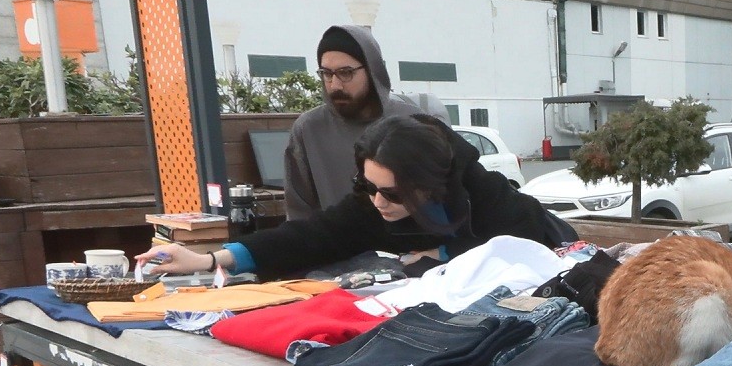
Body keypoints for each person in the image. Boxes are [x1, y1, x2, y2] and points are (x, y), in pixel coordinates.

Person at [138, 114, 575, 279]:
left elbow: (523, 247)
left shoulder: (487, 195)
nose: (377, 202)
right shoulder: (371, 205)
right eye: (367, 186)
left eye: (392, 192)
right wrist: (209, 260)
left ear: (429, 185)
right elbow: (309, 237)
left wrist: (442, 252)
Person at [285, 24, 450, 221]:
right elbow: (299, 211)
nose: (335, 85)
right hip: (337, 239)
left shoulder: (414, 120)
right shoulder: (308, 129)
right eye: (327, 73)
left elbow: (443, 195)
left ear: (372, 70)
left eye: (346, 72)